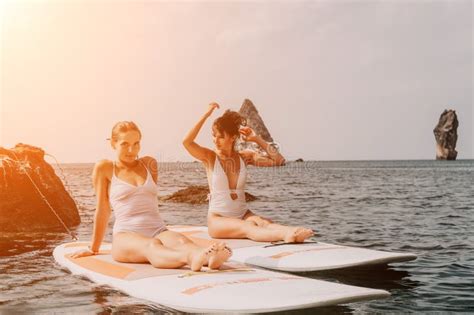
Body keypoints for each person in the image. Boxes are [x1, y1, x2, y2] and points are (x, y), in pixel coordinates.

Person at [71, 121, 231, 271]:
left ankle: (210, 257)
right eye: (124, 144)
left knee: (182, 241)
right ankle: (192, 258)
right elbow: (103, 208)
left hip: (158, 229)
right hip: (126, 235)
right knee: (152, 245)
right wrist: (93, 248)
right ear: (113, 143)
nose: (131, 150)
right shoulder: (104, 168)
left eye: (136, 144)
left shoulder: (149, 164)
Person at [183, 103, 314, 243]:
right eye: (213, 136)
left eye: (220, 136)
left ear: (233, 137)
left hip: (243, 214)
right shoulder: (210, 157)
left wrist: (256, 138)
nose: (215, 140)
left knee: (266, 223)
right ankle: (285, 236)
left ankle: (292, 231)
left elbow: (279, 160)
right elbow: (187, 142)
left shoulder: (244, 157)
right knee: (248, 227)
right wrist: (206, 114)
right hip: (218, 220)